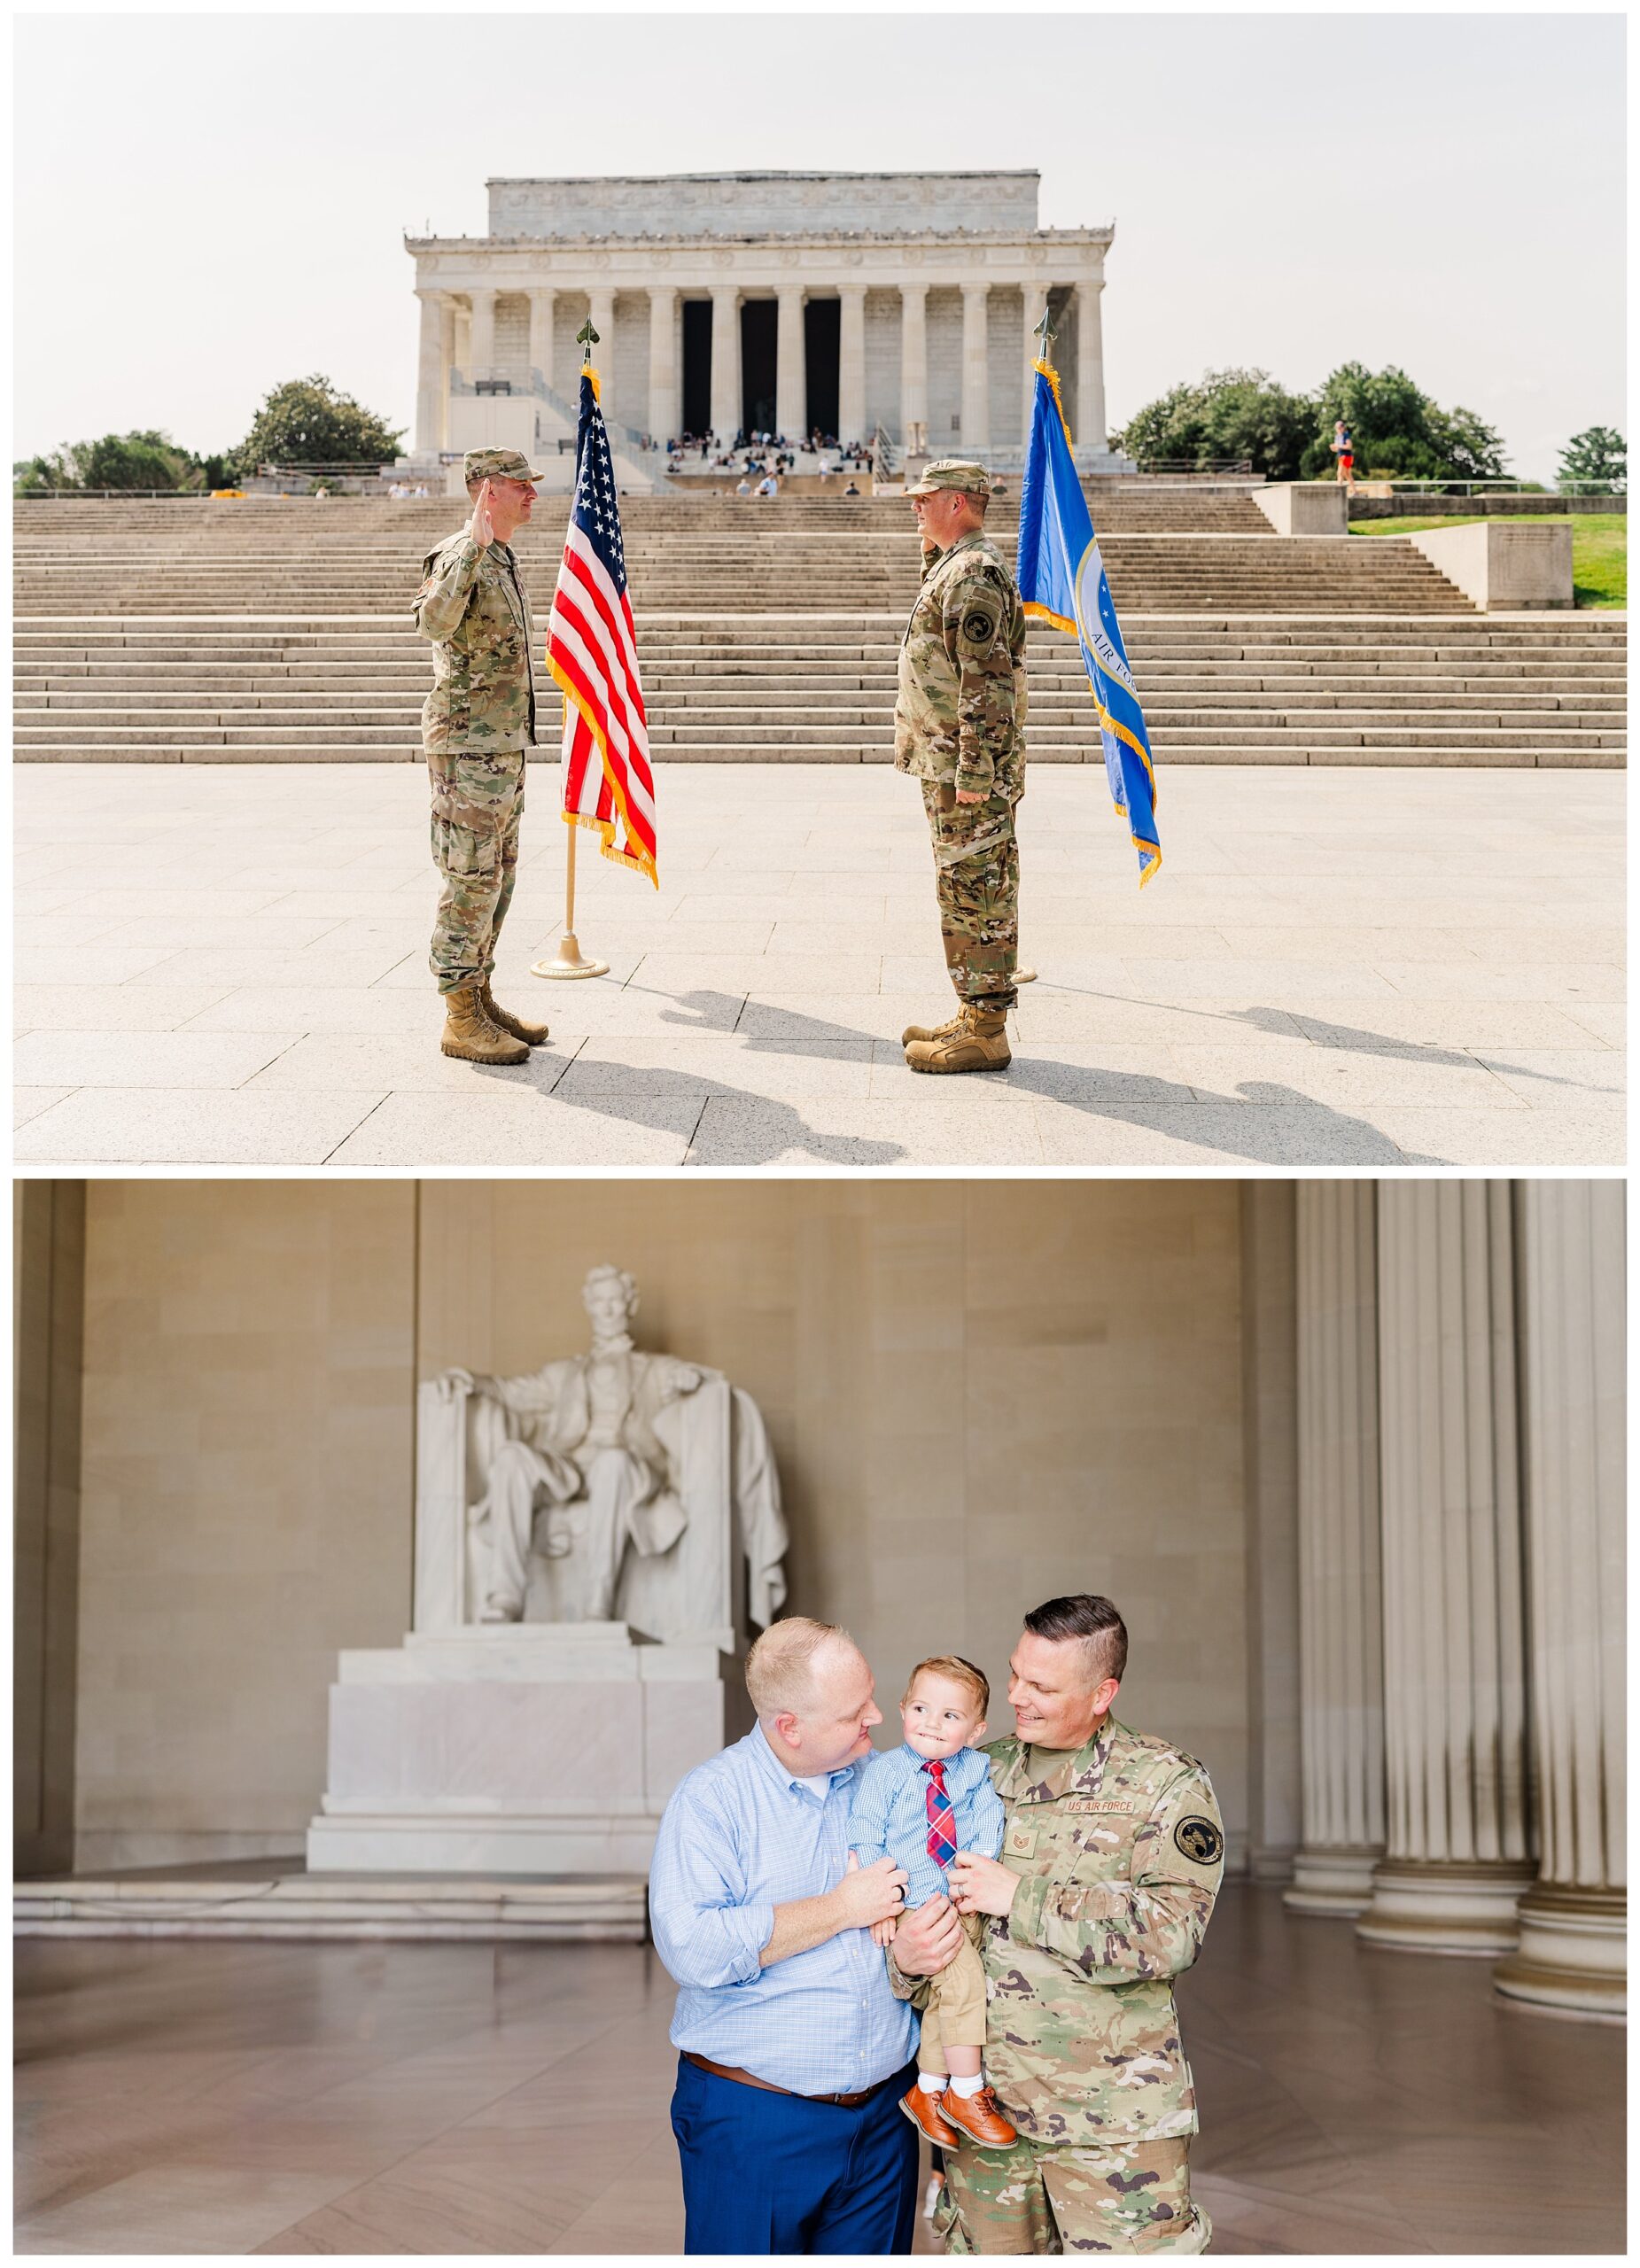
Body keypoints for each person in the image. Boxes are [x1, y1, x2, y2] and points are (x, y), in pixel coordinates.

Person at [890, 1595, 1225, 2255]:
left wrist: (1020, 1897)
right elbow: (914, 1893)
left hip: (1113, 2123)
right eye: (1015, 1674)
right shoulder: (972, 1771)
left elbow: (1172, 1932)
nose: (1017, 1696)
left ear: (1102, 1694)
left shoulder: (1164, 1782)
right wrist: (905, 1958)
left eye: (1041, 1686)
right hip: (984, 2115)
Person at [650, 1619, 921, 2255]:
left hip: (885, 2118)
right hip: (755, 2122)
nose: (876, 1718)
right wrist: (839, 1908)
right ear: (789, 1727)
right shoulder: (712, 1800)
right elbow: (692, 1947)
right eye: (853, 1712)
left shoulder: (883, 1781)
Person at [411, 445, 552, 1067]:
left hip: (501, 744)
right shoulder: (459, 553)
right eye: (522, 485)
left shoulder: (503, 557)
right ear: (490, 490)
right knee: (469, 879)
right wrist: (470, 547)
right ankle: (459, 1016)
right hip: (467, 747)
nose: (533, 494)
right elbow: (432, 622)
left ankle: (480, 994)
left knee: (498, 878)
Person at [847, 1657, 1016, 2151]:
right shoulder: (885, 1773)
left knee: (947, 1997)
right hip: (910, 1902)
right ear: (903, 1709)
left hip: (957, 1900)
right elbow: (865, 1837)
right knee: (964, 1983)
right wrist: (882, 1905)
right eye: (921, 1708)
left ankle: (927, 2089)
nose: (932, 1723)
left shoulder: (974, 1772)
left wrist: (971, 1876)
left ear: (976, 1729)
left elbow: (986, 1826)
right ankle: (966, 2091)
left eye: (950, 1715)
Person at [894, 460, 1027, 1076]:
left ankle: (987, 1031)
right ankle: (973, 1012)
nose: (914, 506)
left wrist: (974, 771)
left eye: (925, 498)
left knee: (979, 891)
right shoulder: (956, 565)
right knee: (962, 886)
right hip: (945, 762)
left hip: (964, 770)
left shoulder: (974, 573)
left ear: (957, 502)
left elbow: (985, 681)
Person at [1331, 418, 1355, 487]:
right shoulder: (1337, 437)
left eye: (1340, 427)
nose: (1339, 429)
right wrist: (1333, 448)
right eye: (1337, 428)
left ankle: (1339, 489)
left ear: (1343, 428)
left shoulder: (1345, 435)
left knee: (1340, 473)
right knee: (1347, 474)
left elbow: (1349, 446)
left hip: (1346, 456)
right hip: (1342, 456)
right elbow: (1339, 449)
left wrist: (1337, 446)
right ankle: (1354, 491)